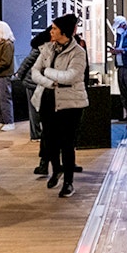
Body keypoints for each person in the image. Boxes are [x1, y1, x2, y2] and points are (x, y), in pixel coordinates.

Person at [31, 13, 88, 198]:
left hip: (70, 103)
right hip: (48, 99)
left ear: (64, 31)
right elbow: (34, 72)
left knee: (67, 143)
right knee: (50, 141)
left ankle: (68, 182)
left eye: (54, 28)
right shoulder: (48, 48)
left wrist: (47, 71)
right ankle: (56, 170)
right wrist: (50, 82)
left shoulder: (78, 52)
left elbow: (70, 76)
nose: (51, 31)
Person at [14, 28, 50, 157]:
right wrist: (19, 76)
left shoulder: (45, 46)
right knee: (34, 109)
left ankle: (37, 134)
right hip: (32, 81)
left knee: (37, 109)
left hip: (38, 81)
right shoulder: (41, 47)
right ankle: (35, 135)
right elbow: (27, 61)